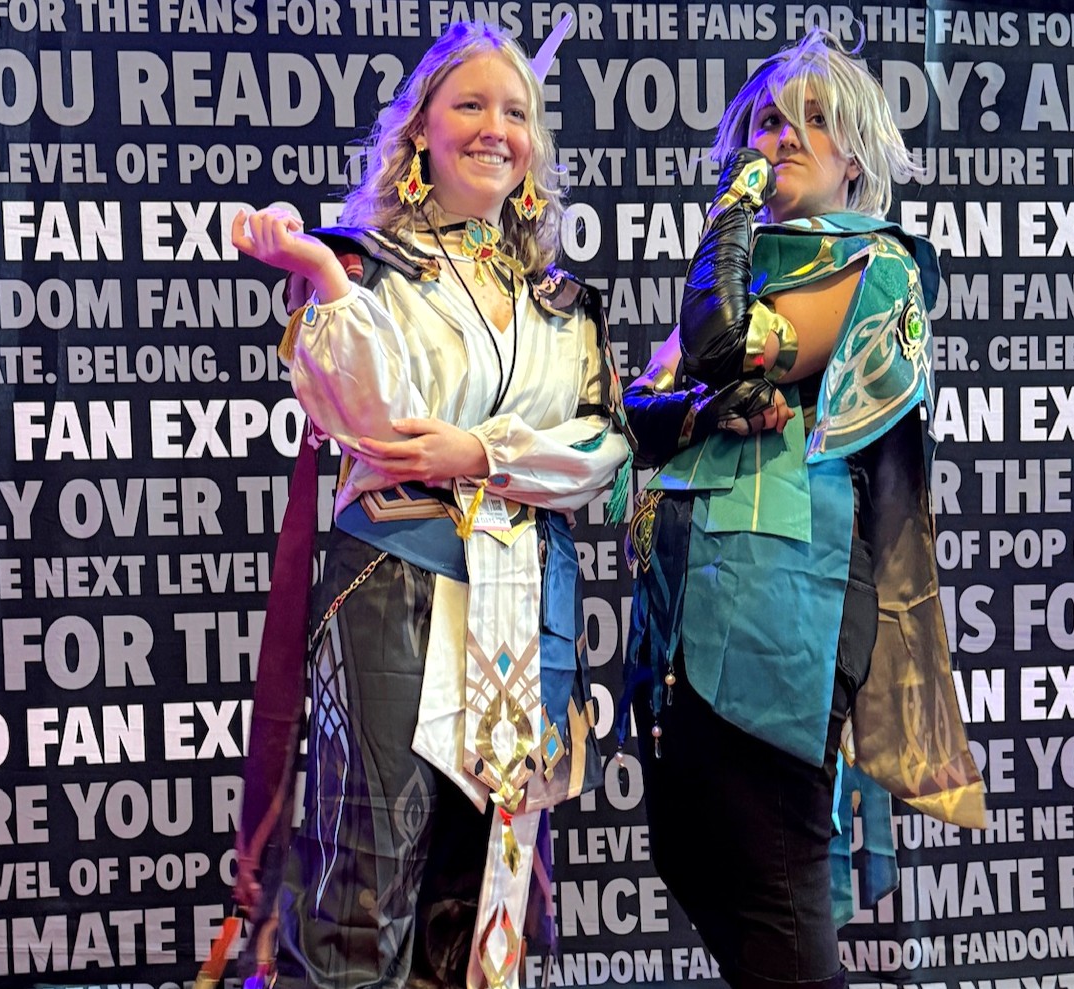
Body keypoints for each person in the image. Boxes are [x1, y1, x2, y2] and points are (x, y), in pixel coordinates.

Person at [226, 21, 631, 989]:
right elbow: (370, 420)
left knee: (483, 877)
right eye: (470, 105)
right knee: (366, 870)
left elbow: (601, 452)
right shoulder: (364, 267)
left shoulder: (559, 301)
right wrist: (322, 280)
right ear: (417, 134)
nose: (497, 128)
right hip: (398, 578)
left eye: (516, 112)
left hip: (527, 599)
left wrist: (478, 451)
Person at [621, 29, 984, 989]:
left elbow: (719, 343)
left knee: (776, 879)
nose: (784, 136)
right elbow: (640, 413)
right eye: (768, 120)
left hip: (788, 614)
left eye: (815, 122)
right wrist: (700, 403)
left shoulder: (876, 264)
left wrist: (731, 212)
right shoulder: (746, 266)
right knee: (695, 849)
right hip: (685, 617)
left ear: (856, 156)